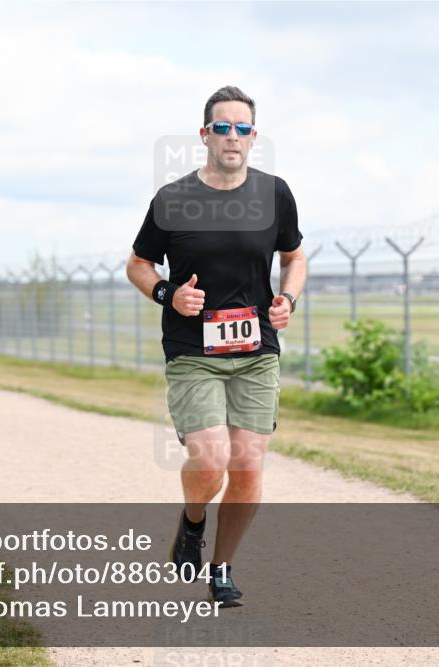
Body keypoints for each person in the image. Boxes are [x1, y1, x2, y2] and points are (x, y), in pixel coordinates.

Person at [126, 86, 306, 607]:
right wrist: (168, 294)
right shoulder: (173, 199)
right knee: (210, 460)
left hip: (256, 352)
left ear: (254, 137)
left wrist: (287, 300)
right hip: (193, 351)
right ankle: (192, 521)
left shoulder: (275, 194)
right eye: (222, 127)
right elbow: (138, 264)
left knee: (248, 467)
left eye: (243, 128)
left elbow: (294, 257)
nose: (233, 137)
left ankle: (222, 567)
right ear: (205, 135)